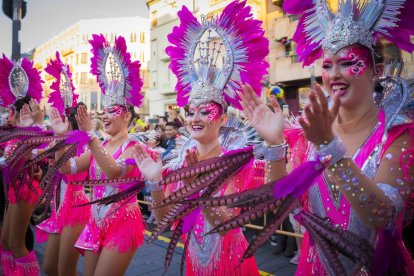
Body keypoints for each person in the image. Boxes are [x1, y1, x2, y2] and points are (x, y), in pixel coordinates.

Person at [226, 0, 414, 274]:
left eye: (349, 62)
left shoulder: (398, 135)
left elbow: (381, 216)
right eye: (327, 65)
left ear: (378, 70)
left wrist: (330, 148)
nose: (334, 74)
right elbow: (280, 203)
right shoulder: (310, 134)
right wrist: (274, 143)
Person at [132, 1, 277, 275]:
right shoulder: (179, 163)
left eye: (205, 111)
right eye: (191, 111)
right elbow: (165, 221)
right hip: (192, 264)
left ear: (223, 118)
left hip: (232, 264)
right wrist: (155, 183)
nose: (195, 118)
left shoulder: (235, 161)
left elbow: (228, 227)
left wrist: (200, 188)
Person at [50, 34, 147, 276]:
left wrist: (91, 137)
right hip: (95, 219)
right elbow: (66, 168)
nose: (105, 116)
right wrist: (60, 138)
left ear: (127, 115)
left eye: (112, 111)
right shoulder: (100, 144)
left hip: (124, 221)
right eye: (103, 111)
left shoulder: (137, 146)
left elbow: (114, 172)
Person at [35, 52, 91, 276]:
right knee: (50, 268)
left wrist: (58, 141)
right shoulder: (61, 141)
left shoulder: (87, 145)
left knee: (65, 270)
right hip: (58, 207)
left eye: (64, 119)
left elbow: (66, 169)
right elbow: (35, 153)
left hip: (76, 206)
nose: (59, 122)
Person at [0, 55, 44, 275]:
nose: (9, 115)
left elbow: (40, 153)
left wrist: (35, 125)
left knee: (17, 245)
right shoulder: (13, 135)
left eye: (12, 112)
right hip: (12, 191)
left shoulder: (30, 135)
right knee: (5, 242)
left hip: (25, 189)